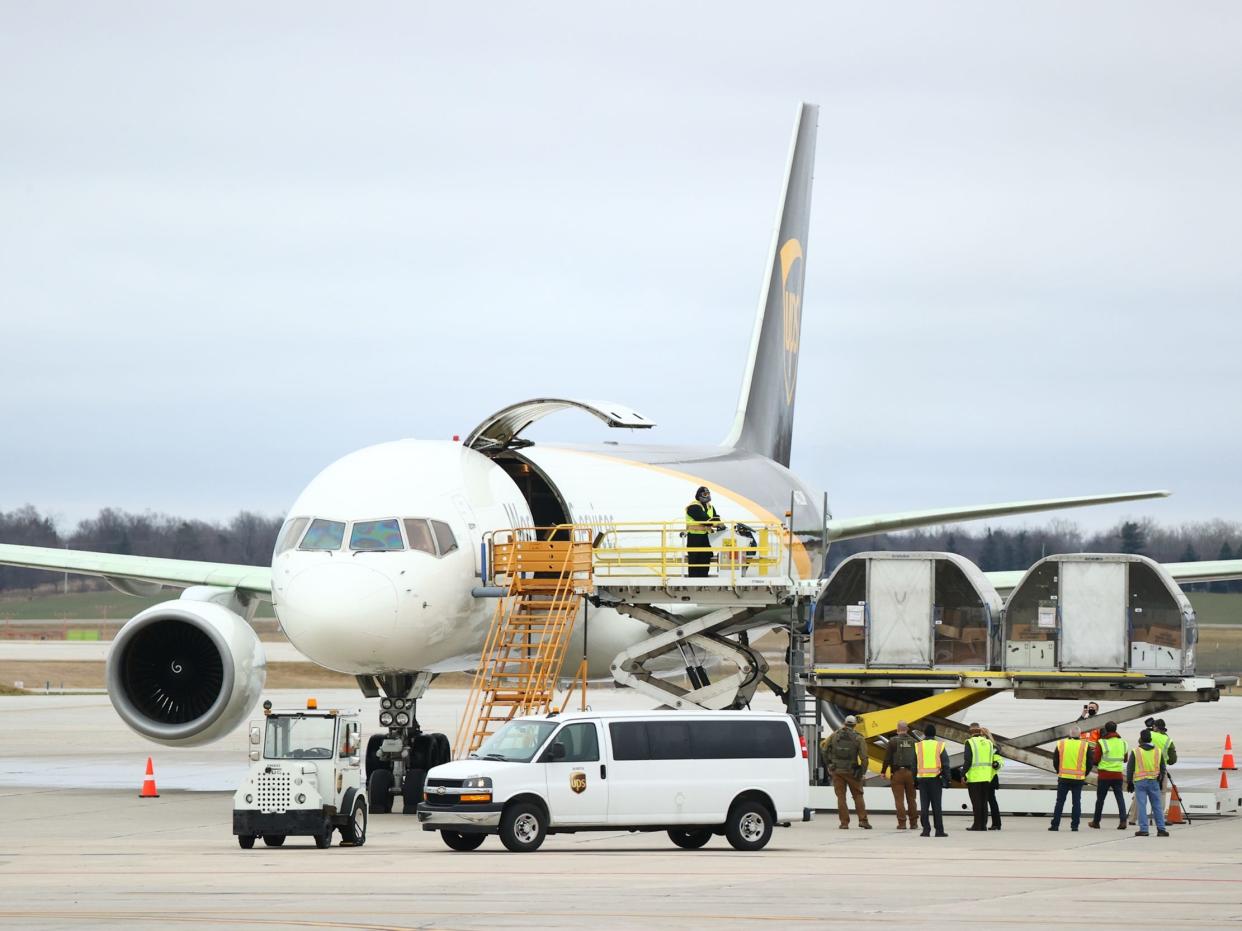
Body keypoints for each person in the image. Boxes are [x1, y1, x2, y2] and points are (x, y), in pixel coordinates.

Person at [821, 715, 871, 829]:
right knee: (858, 795)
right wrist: (862, 772)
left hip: (837, 771)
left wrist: (829, 765)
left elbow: (824, 750)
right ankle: (863, 821)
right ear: (854, 725)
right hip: (852, 771)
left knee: (841, 797)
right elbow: (864, 758)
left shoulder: (834, 735)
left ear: (844, 723)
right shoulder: (859, 738)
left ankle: (844, 823)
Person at [1049, 726, 1093, 831]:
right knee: (1076, 802)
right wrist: (1083, 774)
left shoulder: (1061, 744)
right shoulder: (1085, 745)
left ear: (1070, 734)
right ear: (1079, 734)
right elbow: (1090, 763)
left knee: (1060, 801)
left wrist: (1059, 771)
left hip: (1063, 777)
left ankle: (1055, 825)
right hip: (1078, 778)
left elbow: (1055, 761)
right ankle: (1075, 826)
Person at [1127, 728, 1169, 837]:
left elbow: (1130, 769)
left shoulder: (1136, 751)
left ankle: (1144, 829)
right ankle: (1161, 829)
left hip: (1140, 782)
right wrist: (1159, 780)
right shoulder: (1157, 751)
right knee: (1157, 806)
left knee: (1141, 805)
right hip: (1154, 781)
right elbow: (1163, 768)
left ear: (1140, 739)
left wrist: (1129, 782)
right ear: (1150, 739)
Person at [1087, 720, 1128, 830]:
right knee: (1120, 798)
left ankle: (1096, 822)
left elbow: (1096, 760)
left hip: (1104, 775)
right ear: (1115, 729)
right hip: (1118, 775)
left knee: (1100, 799)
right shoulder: (1123, 743)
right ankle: (1123, 821)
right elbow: (1125, 759)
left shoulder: (1101, 742)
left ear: (1105, 730)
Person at [880, 720, 919, 830]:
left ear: (897, 730)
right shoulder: (914, 742)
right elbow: (917, 759)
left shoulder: (892, 741)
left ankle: (902, 823)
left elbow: (887, 758)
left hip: (897, 773)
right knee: (911, 799)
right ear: (907, 729)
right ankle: (914, 823)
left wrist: (883, 771)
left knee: (899, 800)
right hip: (910, 773)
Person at [915, 723, 951, 837]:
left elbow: (913, 764)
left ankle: (926, 830)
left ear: (925, 733)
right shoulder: (939, 745)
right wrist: (948, 779)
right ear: (935, 734)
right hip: (935, 780)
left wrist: (914, 780)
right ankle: (939, 831)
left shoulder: (918, 745)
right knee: (937, 806)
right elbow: (945, 763)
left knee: (924, 806)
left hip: (922, 780)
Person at [962, 723, 997, 831]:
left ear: (970, 731)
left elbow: (968, 760)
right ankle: (983, 825)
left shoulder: (970, 743)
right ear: (979, 730)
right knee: (983, 801)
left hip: (974, 777)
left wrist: (963, 774)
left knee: (976, 802)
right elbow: (996, 754)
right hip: (987, 777)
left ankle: (977, 825)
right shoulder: (988, 743)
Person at [684, 486, 724, 578]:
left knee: (705, 559)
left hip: (707, 538)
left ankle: (704, 580)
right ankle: (693, 582)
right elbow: (705, 520)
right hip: (695, 537)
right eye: (705, 494)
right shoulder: (693, 507)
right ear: (699, 495)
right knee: (695, 560)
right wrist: (717, 523)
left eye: (708, 494)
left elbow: (716, 518)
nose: (707, 496)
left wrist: (719, 524)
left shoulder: (710, 507)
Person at [980, 727, 1003, 831]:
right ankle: (996, 823)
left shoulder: (984, 746)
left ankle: (983, 823)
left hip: (985, 777)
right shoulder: (994, 747)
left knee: (984, 802)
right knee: (992, 801)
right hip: (991, 777)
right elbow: (998, 762)